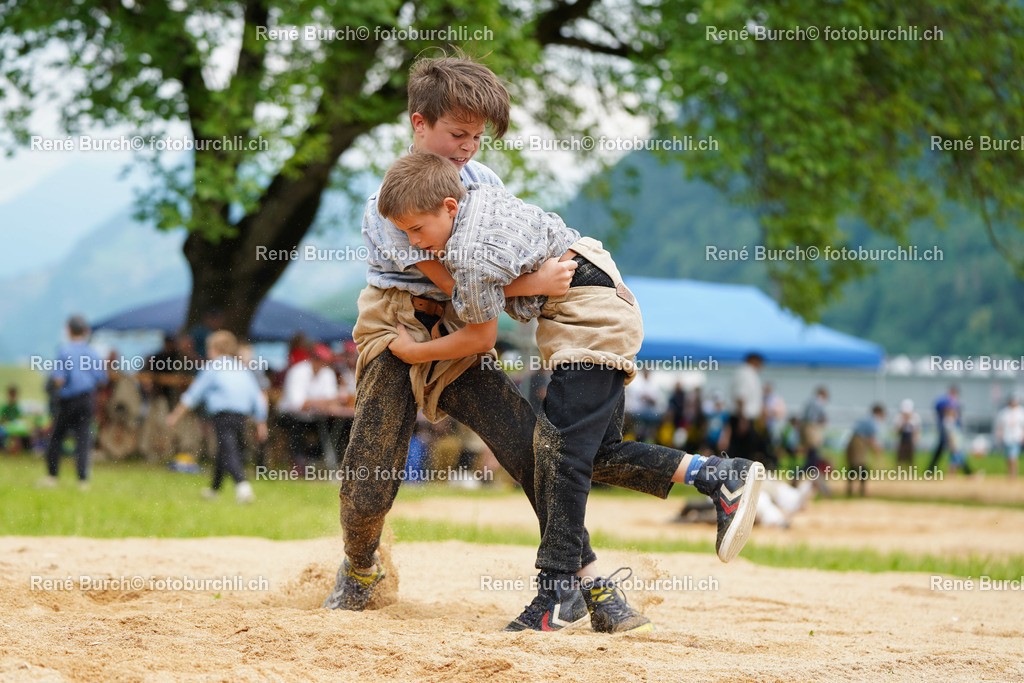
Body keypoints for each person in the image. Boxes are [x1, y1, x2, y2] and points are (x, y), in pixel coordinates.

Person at [323, 53, 667, 635]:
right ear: (419, 124)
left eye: (477, 137)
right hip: (399, 327)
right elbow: (454, 282)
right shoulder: (393, 202)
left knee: (527, 443)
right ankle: (359, 566)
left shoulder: (484, 186)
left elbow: (486, 284)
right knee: (371, 471)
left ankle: (584, 579)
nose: (467, 147)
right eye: (457, 133)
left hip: (463, 329)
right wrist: (534, 284)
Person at [378, 150, 765, 631]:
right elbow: (490, 271)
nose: (415, 242)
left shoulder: (470, 252)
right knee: (598, 453)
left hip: (588, 324)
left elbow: (479, 337)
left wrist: (412, 352)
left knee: (559, 453)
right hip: (606, 305)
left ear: (450, 208)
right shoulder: (481, 200)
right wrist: (527, 282)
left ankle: (558, 589)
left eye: (417, 229)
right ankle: (716, 476)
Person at [166, 330, 267, 503]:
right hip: (241, 416)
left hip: (223, 415)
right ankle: (214, 489)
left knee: (229, 450)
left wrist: (175, 415)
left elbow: (194, 394)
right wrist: (261, 421)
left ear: (214, 349)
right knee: (224, 450)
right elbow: (256, 396)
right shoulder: (241, 368)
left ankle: (242, 486)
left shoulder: (214, 367)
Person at [40, 315, 108, 489]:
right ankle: (82, 480)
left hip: (68, 400)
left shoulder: (64, 351)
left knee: (56, 437)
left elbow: (59, 380)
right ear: (85, 331)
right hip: (87, 399)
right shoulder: (93, 352)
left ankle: (52, 477)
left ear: (69, 330)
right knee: (83, 438)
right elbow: (102, 379)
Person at [277, 343, 347, 469]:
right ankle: (298, 463)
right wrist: (326, 402)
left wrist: (318, 402)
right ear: (313, 358)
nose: (323, 364)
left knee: (339, 428)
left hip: (315, 417)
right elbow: (297, 405)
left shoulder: (327, 373)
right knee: (296, 426)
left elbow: (331, 401)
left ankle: (318, 459)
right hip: (289, 415)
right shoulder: (298, 371)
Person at [845, 404, 885, 497]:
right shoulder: (872, 421)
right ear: (879, 412)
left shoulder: (866, 419)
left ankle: (850, 489)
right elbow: (871, 437)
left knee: (853, 466)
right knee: (861, 465)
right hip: (859, 441)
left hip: (853, 440)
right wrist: (876, 449)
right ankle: (862, 490)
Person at [927, 385, 961, 474]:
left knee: (943, 451)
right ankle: (967, 472)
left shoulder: (951, 401)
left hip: (947, 429)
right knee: (956, 452)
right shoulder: (946, 400)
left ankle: (930, 471)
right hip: (946, 429)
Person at [995, 394, 1024, 479]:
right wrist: (999, 435)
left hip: (1016, 437)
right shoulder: (1004, 412)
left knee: (1013, 456)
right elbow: (999, 425)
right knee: (1008, 457)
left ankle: (1013, 475)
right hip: (1007, 438)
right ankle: (1011, 473)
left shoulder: (1021, 412)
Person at [893, 399, 921, 470]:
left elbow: (917, 430)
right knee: (900, 457)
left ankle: (910, 473)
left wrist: (915, 440)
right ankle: (898, 472)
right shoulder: (899, 417)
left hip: (910, 440)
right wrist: (904, 422)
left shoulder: (916, 417)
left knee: (910, 458)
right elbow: (897, 431)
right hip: (901, 440)